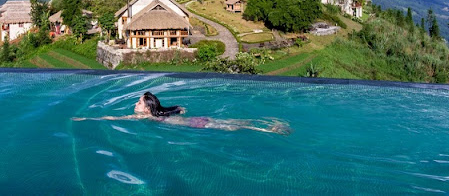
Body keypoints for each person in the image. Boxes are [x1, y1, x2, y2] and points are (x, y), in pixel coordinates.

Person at [72, 91, 291, 135]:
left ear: (147, 108)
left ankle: (269, 130)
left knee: (234, 126)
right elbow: (174, 108)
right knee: (232, 121)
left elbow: (114, 118)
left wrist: (88, 117)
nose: (135, 105)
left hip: (195, 125)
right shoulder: (160, 113)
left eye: (139, 103)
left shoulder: (147, 117)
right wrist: (180, 109)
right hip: (197, 120)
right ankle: (267, 122)